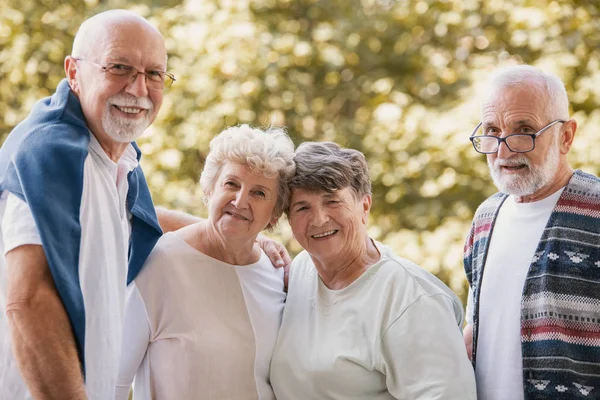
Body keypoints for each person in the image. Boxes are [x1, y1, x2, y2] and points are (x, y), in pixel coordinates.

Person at [0, 10, 288, 399]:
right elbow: (26, 300)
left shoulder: (119, 159)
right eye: (119, 67)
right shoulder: (50, 152)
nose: (138, 89)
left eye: (154, 74)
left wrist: (240, 234)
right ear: (73, 72)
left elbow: (137, 217)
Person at [270, 142, 477, 399]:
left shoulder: (411, 300)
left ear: (364, 206)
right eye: (302, 207)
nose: (319, 219)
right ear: (288, 219)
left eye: (332, 201)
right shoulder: (301, 269)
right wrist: (255, 241)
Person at [115, 125, 295, 399]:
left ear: (274, 214)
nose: (240, 200)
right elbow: (112, 381)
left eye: (259, 193)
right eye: (231, 184)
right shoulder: (159, 263)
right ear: (210, 189)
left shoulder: (277, 274)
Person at [463, 65, 600, 399]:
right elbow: (474, 332)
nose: (503, 150)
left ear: (566, 135)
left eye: (524, 129)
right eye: (492, 130)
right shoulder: (485, 218)